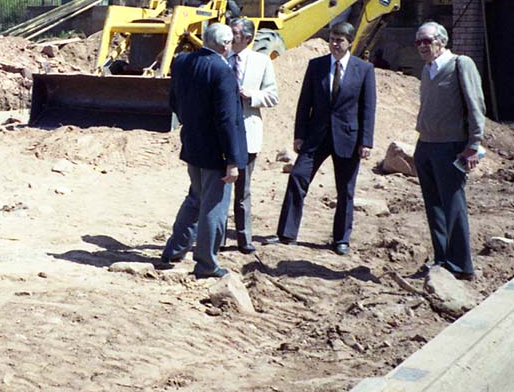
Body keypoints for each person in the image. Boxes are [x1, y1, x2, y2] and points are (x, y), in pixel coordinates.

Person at [266, 22, 375, 255]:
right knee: (297, 177)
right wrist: (299, 135)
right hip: (316, 136)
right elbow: (305, 102)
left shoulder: (364, 70)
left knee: (345, 189)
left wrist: (366, 141)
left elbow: (368, 108)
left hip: (348, 137)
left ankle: (341, 239)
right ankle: (287, 233)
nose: (335, 44)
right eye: (332, 39)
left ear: (349, 42)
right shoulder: (316, 66)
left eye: (340, 40)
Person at [158, 23, 247, 279]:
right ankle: (207, 264)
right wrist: (232, 160)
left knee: (195, 198)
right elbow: (227, 119)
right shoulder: (223, 71)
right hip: (216, 153)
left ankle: (174, 250)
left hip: (193, 144)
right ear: (225, 45)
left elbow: (174, 101)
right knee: (213, 207)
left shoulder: (183, 62)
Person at [413, 21, 486, 281]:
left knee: (453, 205)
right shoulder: (427, 70)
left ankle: (461, 265)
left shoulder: (460, 64)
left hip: (451, 146)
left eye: (427, 40)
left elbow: (475, 105)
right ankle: (442, 259)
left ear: (442, 41)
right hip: (426, 145)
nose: (422, 45)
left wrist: (474, 145)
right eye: (418, 41)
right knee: (434, 206)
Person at [227, 18, 279, 254]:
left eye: (235, 33)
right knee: (220, 188)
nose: (230, 36)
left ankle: (244, 238)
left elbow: (273, 96)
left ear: (247, 38)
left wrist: (252, 96)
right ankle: (218, 238)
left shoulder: (261, 62)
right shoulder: (220, 59)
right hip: (223, 134)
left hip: (248, 131)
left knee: (243, 189)